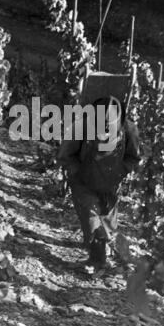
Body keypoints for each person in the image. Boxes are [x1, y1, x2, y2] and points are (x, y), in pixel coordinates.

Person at [58, 95, 140, 272]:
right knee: (92, 219)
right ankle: (97, 261)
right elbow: (66, 155)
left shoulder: (128, 129)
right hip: (83, 182)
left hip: (110, 183)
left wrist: (120, 172)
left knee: (109, 221)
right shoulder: (80, 127)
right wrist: (78, 173)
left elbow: (133, 157)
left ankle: (107, 253)